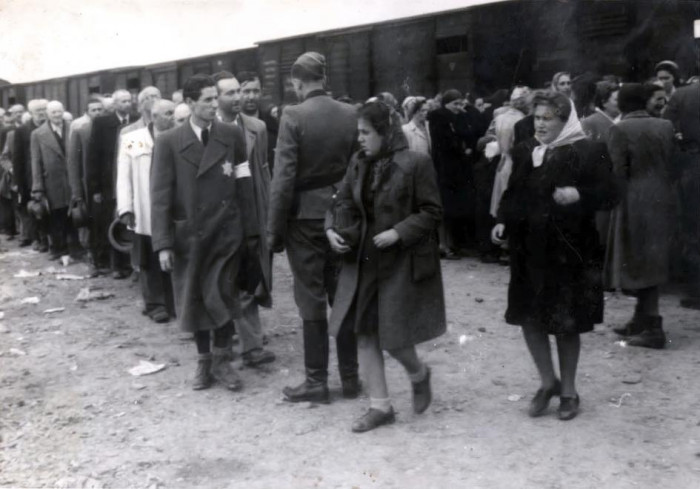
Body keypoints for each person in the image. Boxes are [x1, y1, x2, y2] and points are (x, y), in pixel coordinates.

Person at [492, 91, 618, 421]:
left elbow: (612, 194)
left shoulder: (590, 150)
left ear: (566, 120)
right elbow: (514, 192)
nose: (541, 124)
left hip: (570, 251)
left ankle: (569, 391)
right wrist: (503, 221)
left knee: (566, 322)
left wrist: (580, 193)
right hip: (528, 250)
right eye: (537, 118)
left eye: (548, 118)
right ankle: (548, 382)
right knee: (529, 317)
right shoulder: (525, 150)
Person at [327, 100, 445, 432]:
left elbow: (432, 212)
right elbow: (342, 201)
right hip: (363, 260)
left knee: (392, 336)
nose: (360, 139)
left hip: (399, 261)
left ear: (385, 131)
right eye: (358, 133)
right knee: (364, 331)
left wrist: (398, 232)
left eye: (366, 132)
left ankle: (419, 374)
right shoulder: (358, 163)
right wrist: (331, 229)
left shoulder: (416, 163)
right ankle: (380, 406)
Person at [267, 52, 359, 404]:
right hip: (342, 215)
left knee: (310, 297)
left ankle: (316, 381)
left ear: (297, 82)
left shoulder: (293, 115)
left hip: (304, 219)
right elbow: (357, 168)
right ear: (324, 79)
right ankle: (350, 379)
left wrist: (275, 230)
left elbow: (283, 179)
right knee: (343, 294)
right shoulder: (350, 114)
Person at [151, 74, 252, 390]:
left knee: (222, 294)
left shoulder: (231, 134)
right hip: (189, 238)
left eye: (214, 98)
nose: (213, 104)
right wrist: (164, 244)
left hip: (225, 232)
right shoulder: (169, 141)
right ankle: (203, 362)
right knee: (195, 298)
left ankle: (223, 362)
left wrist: (249, 230)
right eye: (207, 99)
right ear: (190, 103)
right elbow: (160, 195)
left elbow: (243, 183)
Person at [604, 83, 675, 349]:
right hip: (663, 196)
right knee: (652, 258)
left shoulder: (619, 129)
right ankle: (641, 318)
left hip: (634, 199)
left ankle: (654, 327)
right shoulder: (664, 126)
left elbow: (618, 171)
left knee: (637, 258)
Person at [213, 71, 275, 367]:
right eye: (230, 93)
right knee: (220, 280)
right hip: (217, 218)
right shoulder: (206, 130)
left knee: (250, 276)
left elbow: (263, 173)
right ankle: (224, 343)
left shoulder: (257, 128)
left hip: (249, 213)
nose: (238, 98)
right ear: (216, 98)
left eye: (240, 91)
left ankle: (251, 346)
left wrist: (267, 213)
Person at [117, 99, 176, 324]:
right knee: (148, 257)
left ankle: (173, 301)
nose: (172, 117)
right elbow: (124, 175)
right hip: (145, 208)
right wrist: (126, 208)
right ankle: (155, 304)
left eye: (173, 113)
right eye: (167, 113)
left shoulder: (179, 137)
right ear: (153, 117)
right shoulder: (134, 139)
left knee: (172, 253)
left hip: (172, 206)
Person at [87, 89, 135, 279]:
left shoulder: (136, 120)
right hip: (109, 181)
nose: (127, 104)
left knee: (130, 221)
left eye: (129, 100)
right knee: (113, 221)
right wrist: (96, 187)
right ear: (114, 104)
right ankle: (116, 265)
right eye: (123, 101)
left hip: (130, 177)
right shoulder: (102, 123)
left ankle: (132, 263)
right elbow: (93, 156)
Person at [664, 79, 700, 310]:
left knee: (693, 227)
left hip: (692, 165)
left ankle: (697, 290)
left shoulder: (682, 95)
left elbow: (667, 129)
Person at [30, 101, 78, 260]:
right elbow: (36, 162)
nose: (57, 115)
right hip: (52, 181)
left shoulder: (73, 127)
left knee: (74, 211)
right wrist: (37, 187)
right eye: (53, 113)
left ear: (63, 111)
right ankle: (58, 247)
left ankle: (75, 247)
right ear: (48, 115)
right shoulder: (38, 134)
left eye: (59, 112)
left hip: (72, 177)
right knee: (56, 214)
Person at [67, 96, 104, 254]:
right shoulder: (80, 131)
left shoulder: (109, 128)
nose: (97, 113)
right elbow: (73, 164)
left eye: (99, 109)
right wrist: (76, 192)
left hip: (104, 184)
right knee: (89, 223)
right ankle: (92, 256)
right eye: (93, 110)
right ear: (87, 112)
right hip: (86, 185)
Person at [13, 99, 49, 252]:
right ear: (31, 113)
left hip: (49, 174)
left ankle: (51, 239)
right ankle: (39, 239)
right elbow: (18, 159)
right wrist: (19, 183)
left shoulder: (50, 127)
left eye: (43, 110)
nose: (41, 113)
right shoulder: (22, 130)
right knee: (35, 209)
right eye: (38, 110)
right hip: (31, 176)